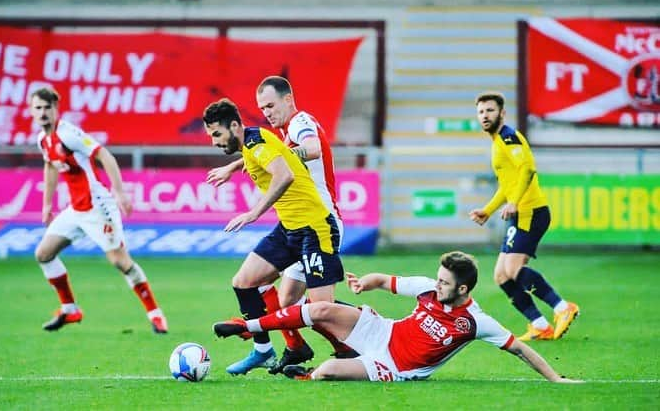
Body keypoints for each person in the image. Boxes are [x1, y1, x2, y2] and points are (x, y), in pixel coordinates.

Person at [214, 251, 582, 383]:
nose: (437, 286)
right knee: (321, 309)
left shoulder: (475, 322)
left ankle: (308, 375)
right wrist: (363, 285)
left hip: (393, 365)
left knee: (327, 373)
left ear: (463, 291)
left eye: (444, 284)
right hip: (382, 330)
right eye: (437, 279)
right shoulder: (426, 287)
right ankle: (245, 328)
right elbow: (385, 280)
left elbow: (519, 348)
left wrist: (556, 379)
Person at [207, 76, 356, 374]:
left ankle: (361, 335)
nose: (267, 112)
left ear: (289, 99)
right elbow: (264, 151)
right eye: (262, 107)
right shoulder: (275, 135)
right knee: (272, 292)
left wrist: (253, 211)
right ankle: (285, 348)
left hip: (319, 220)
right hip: (292, 225)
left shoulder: (301, 122)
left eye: (272, 105)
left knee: (317, 307)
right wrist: (235, 166)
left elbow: (310, 149)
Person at [29, 87, 168, 333]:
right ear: (32, 111)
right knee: (43, 253)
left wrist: (120, 190)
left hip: (99, 206)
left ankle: (155, 313)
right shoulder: (43, 139)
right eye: (37, 108)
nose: (42, 112)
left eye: (46, 107)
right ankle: (70, 309)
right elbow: (50, 166)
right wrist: (47, 204)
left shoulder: (68, 134)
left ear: (55, 109)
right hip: (75, 210)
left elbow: (104, 154)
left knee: (120, 261)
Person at [469, 91, 579, 341]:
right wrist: (488, 209)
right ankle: (539, 325)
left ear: (502, 113)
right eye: (481, 112)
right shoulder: (497, 142)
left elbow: (528, 168)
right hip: (519, 213)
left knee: (513, 269)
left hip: (530, 211)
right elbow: (508, 185)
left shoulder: (508, 138)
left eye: (490, 110)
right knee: (501, 275)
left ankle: (563, 308)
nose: (485, 116)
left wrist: (515, 202)